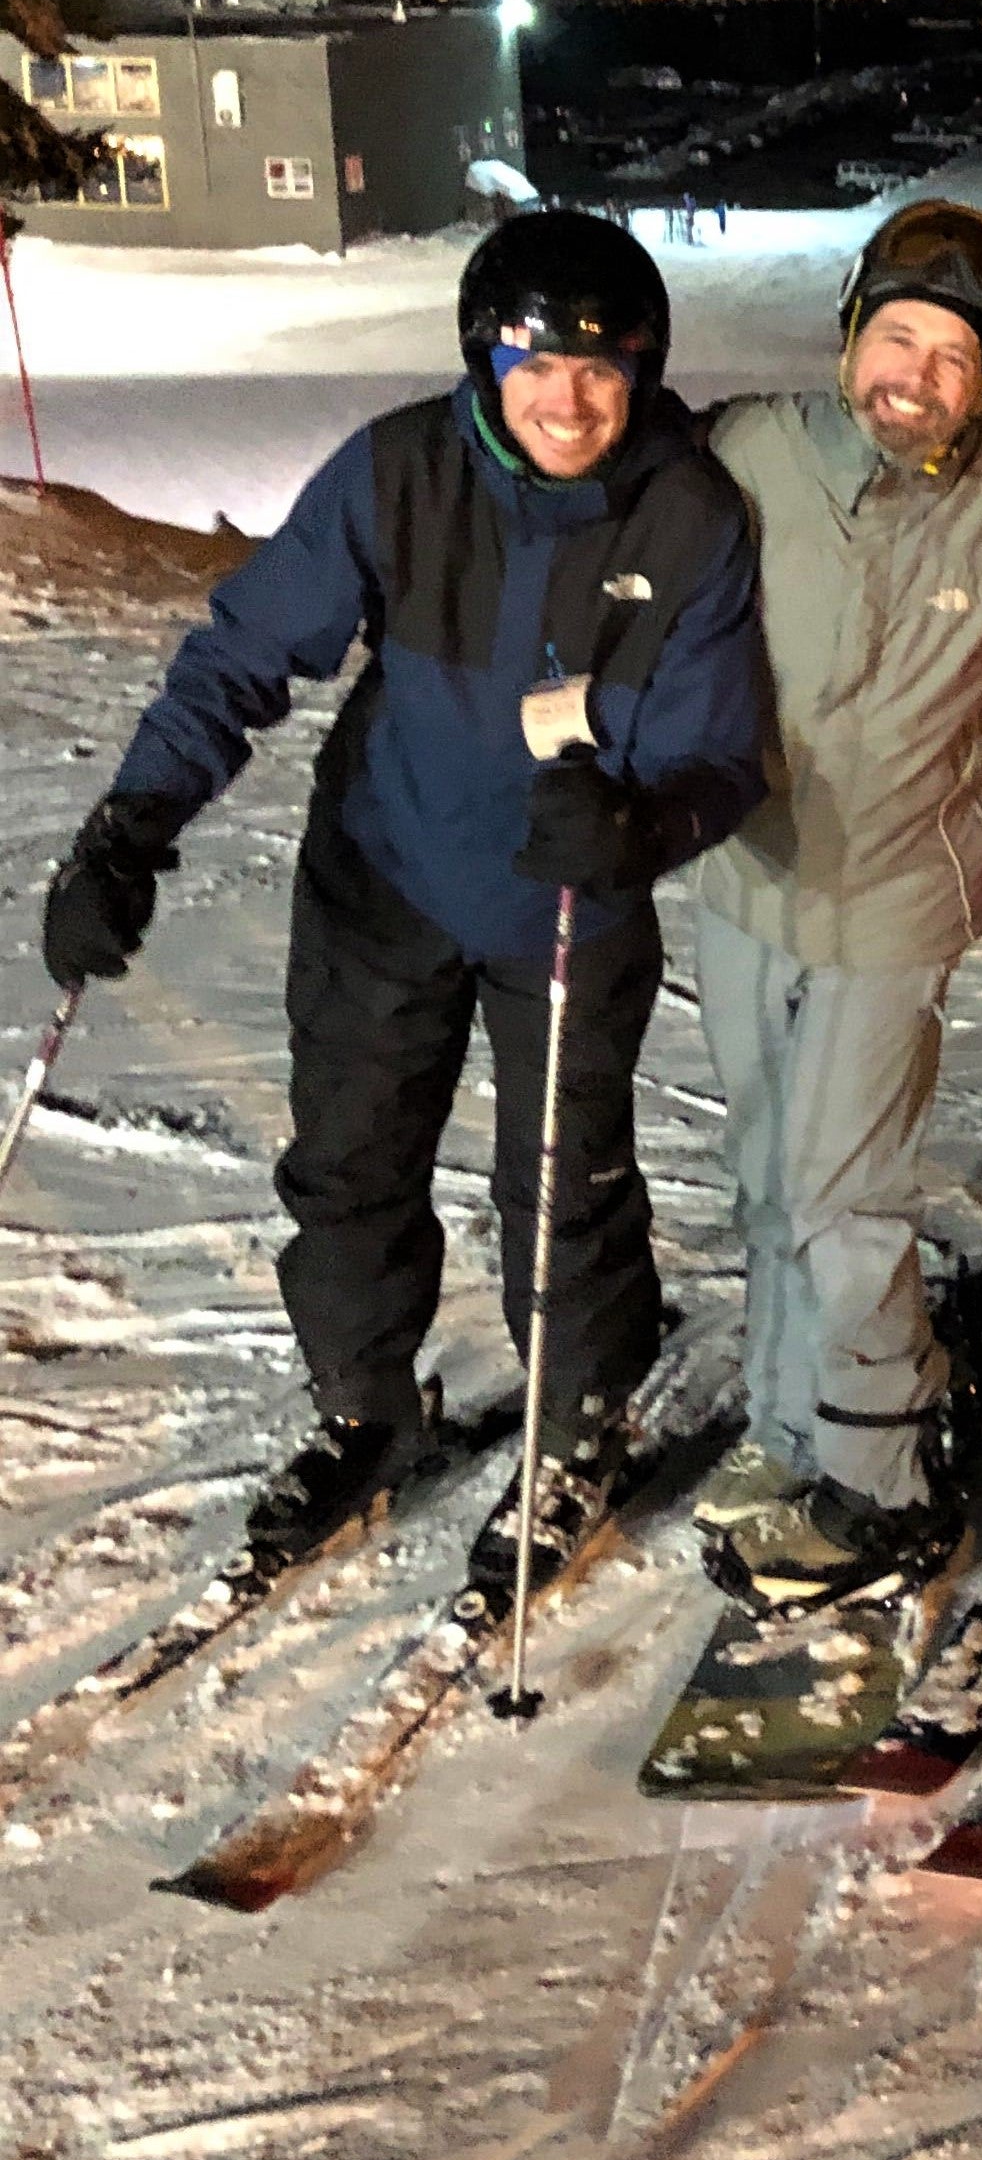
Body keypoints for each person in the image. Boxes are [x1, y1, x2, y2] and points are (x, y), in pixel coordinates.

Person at [40, 211, 767, 1592]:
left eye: (605, 367)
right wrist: (131, 826)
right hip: (388, 870)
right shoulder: (398, 473)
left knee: (566, 1181)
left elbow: (722, 750)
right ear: (482, 361)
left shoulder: (689, 512)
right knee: (354, 1156)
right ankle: (366, 1403)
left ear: (647, 372)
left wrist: (641, 821)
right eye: (535, 361)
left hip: (568, 901)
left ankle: (580, 1417)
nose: (569, 397)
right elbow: (246, 650)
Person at [689, 201, 982, 1609]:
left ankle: (883, 1483)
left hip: (900, 901)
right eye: (896, 335)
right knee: (766, 1176)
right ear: (849, 334)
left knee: (842, 1190)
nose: (916, 374)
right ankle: (786, 1423)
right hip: (750, 874)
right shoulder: (749, 452)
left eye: (952, 353)